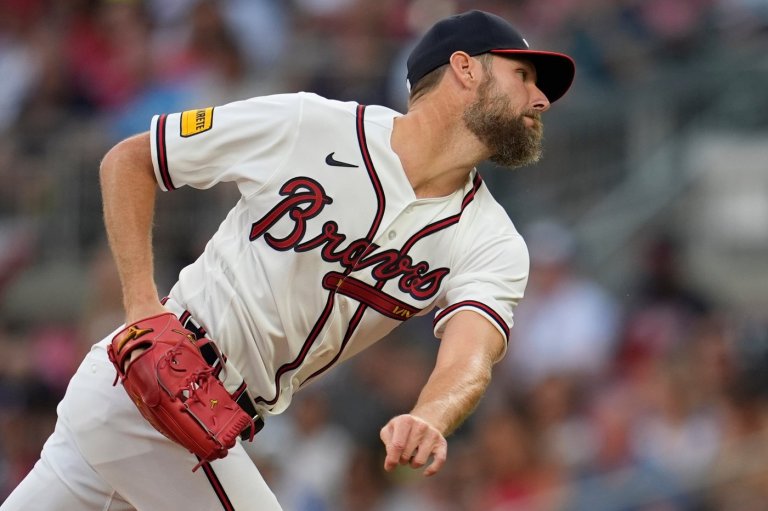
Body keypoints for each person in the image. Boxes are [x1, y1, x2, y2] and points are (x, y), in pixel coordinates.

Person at [1, 10, 575, 511]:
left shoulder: (492, 241)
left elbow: (469, 358)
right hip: (152, 387)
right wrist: (141, 309)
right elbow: (131, 159)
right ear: (465, 68)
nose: (540, 98)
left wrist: (432, 413)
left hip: (208, 417)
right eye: (523, 76)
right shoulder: (311, 125)